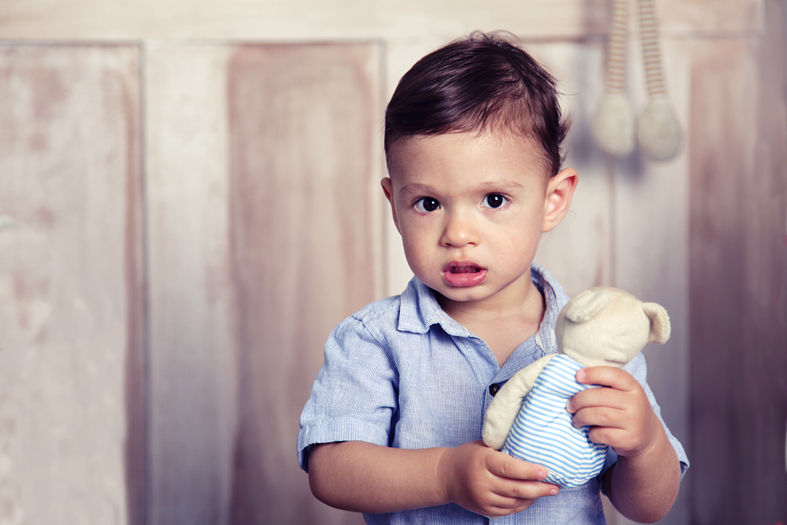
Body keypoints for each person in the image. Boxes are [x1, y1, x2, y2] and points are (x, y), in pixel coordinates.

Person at [297, 31, 688, 524]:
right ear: (394, 206)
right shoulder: (374, 339)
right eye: (429, 203)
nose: (458, 233)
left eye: (494, 200)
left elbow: (647, 507)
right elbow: (331, 471)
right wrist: (443, 474)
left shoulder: (597, 343)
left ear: (553, 201)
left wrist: (645, 444)